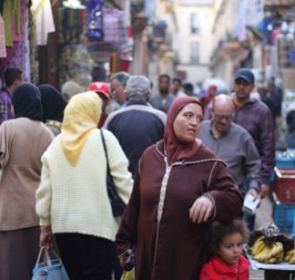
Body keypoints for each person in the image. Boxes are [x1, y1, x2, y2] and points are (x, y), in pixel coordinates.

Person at [116, 96, 243, 279]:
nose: (194, 123)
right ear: (172, 117)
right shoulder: (150, 156)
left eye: (199, 119)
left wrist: (212, 199)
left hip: (186, 262)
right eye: (188, 116)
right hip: (146, 260)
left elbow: (234, 198)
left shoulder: (209, 162)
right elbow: (135, 204)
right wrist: (124, 245)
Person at [36, 92, 133, 280]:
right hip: (99, 226)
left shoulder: (55, 145)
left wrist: (44, 226)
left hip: (63, 227)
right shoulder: (105, 138)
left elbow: (45, 191)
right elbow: (123, 180)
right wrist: (136, 212)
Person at [0, 83, 54, 280]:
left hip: (11, 213)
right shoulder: (46, 132)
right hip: (38, 213)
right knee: (36, 270)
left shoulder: (8, 128)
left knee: (11, 270)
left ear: (16, 105)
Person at [198, 95, 261, 197]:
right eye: (220, 117)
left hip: (230, 196)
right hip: (200, 193)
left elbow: (254, 165)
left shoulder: (243, 137)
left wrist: (253, 187)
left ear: (233, 114)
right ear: (212, 113)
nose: (224, 121)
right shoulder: (199, 131)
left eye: (228, 117)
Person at [104, 75, 166, 177]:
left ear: (126, 94)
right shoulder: (161, 118)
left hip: (119, 180)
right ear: (149, 94)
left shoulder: (112, 118)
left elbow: (105, 151)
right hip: (150, 181)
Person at [232, 68, 275, 199]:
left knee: (247, 214)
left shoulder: (261, 111)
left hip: (251, 175)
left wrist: (264, 179)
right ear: (233, 85)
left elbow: (268, 146)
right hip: (227, 172)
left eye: (245, 84)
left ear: (252, 87)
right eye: (238, 83)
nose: (241, 87)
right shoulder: (224, 105)